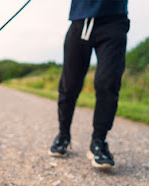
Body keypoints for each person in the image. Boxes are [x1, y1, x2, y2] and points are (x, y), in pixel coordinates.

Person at [49, 0, 130, 169]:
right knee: (69, 84)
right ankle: (63, 135)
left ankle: (98, 142)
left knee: (107, 81)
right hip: (80, 21)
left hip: (113, 20)